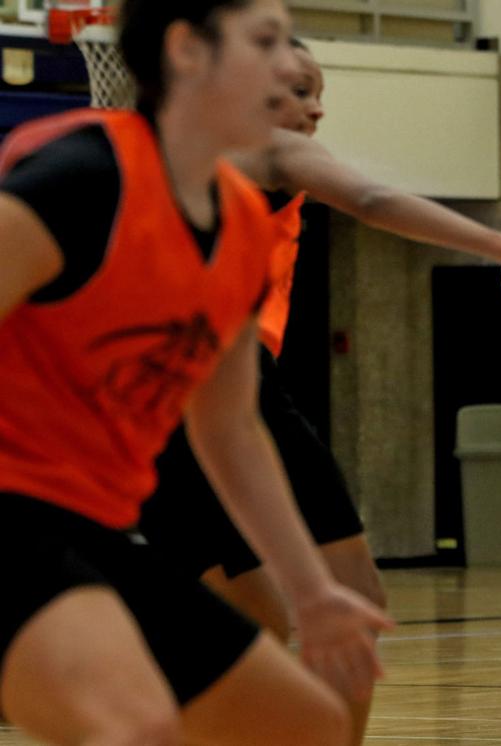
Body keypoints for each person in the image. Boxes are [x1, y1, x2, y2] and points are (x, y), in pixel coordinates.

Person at [135, 38, 501, 746]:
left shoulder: (178, 157)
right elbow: (373, 198)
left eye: (319, 91)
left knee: (254, 619)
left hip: (155, 410)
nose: (315, 107)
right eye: (298, 90)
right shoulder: (266, 149)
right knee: (357, 600)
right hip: (234, 399)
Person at [0, 1, 397, 743]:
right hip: (14, 510)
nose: (290, 67)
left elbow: (229, 428)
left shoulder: (239, 224)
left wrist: (312, 592)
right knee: (133, 724)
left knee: (305, 723)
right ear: (187, 51)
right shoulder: (84, 176)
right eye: (265, 41)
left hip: (97, 527)